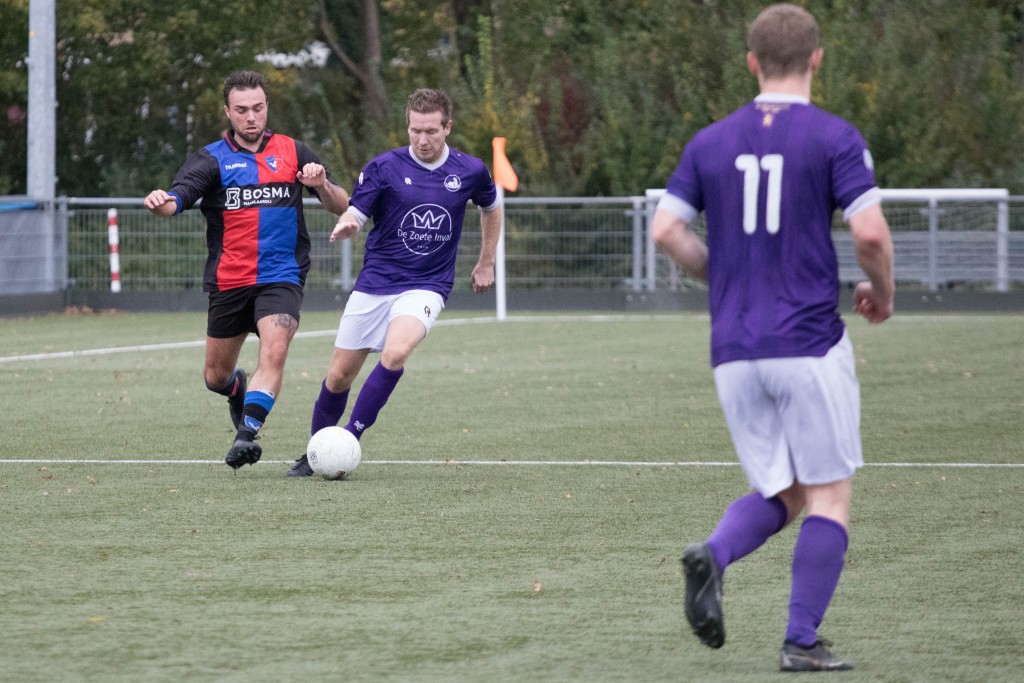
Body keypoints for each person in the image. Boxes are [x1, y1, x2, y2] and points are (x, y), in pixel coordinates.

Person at [651, 4, 894, 673]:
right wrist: (883, 292)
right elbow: (871, 234)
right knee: (829, 494)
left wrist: (722, 274)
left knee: (785, 493)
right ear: (817, 59)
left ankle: (715, 554)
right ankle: (801, 640)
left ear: (751, 62)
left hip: (733, 349)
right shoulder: (834, 135)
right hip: (807, 341)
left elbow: (666, 230)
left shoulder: (709, 141)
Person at [287, 88, 501, 477]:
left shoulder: (470, 170)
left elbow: (492, 206)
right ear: (408, 126)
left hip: (427, 284)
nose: (422, 139)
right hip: (376, 281)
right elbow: (356, 211)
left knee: (396, 352)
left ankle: (349, 438)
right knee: (339, 376)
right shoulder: (384, 167)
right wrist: (348, 224)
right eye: (415, 130)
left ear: (447, 128)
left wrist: (486, 262)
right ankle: (317, 451)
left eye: (431, 131)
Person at [143, 70, 349, 470]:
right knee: (215, 377)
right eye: (241, 110)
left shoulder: (293, 151)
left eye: (257, 108)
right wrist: (159, 202)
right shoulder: (210, 158)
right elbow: (176, 200)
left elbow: (341, 204)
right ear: (227, 111)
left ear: (267, 106)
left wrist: (322, 184)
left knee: (275, 348)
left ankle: (246, 435)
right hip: (230, 280)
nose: (251, 117)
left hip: (282, 275)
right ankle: (237, 388)